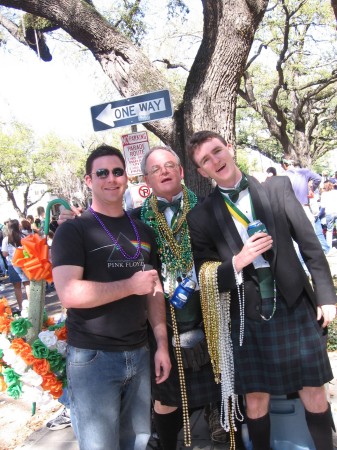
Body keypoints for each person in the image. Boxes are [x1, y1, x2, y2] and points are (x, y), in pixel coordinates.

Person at [58, 146, 241, 448]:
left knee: (218, 384)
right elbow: (75, 287)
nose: (164, 172)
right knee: (161, 401)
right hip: (129, 339)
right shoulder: (135, 218)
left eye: (170, 165)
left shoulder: (207, 208)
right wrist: (70, 221)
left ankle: (220, 422)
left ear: (182, 172)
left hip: (208, 313)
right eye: (156, 169)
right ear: (145, 179)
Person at [186, 130, 336, 450]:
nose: (215, 160)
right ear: (202, 171)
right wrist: (238, 262)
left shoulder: (277, 188)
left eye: (217, 151)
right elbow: (204, 276)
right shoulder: (200, 216)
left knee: (313, 389)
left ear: (229, 147)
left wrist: (326, 296)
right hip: (247, 315)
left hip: (294, 304)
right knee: (255, 398)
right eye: (205, 160)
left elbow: (310, 244)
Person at [51, 144, 171, 450]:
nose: (111, 178)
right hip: (93, 360)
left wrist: (161, 345)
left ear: (127, 178)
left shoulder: (143, 229)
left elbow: (153, 291)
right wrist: (130, 286)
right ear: (88, 180)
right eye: (101, 172)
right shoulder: (73, 231)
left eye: (117, 171)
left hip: (140, 354)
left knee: (137, 443)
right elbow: (69, 293)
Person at [2, 219, 30, 311]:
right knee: (27, 284)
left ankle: (21, 307)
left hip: (12, 264)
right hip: (24, 263)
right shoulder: (23, 236)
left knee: (17, 287)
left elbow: (5, 254)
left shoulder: (6, 239)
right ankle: (31, 305)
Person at [320, 180, 337, 251]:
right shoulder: (336, 192)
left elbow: (323, 206)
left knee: (329, 230)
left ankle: (329, 248)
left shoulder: (324, 194)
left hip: (329, 213)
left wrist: (319, 215)